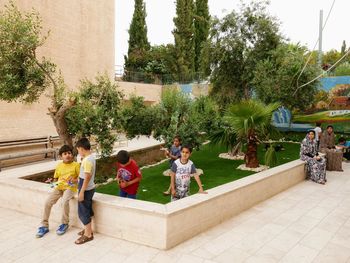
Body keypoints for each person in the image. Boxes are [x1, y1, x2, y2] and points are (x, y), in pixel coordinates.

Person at [36, 145, 80, 238]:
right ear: (61, 156)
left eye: (69, 153)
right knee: (48, 202)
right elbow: (56, 179)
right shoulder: (59, 166)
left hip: (70, 188)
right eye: (65, 154)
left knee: (64, 202)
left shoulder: (76, 165)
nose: (67, 155)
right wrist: (53, 184)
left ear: (72, 155)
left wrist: (74, 180)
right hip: (59, 187)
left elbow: (81, 178)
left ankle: (64, 223)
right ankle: (44, 226)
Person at [75, 138, 96, 245]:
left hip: (86, 189)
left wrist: (82, 192)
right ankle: (88, 229)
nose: (78, 152)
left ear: (82, 149)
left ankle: (88, 234)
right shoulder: (90, 157)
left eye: (78, 150)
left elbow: (87, 176)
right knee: (87, 209)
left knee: (83, 212)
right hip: (90, 188)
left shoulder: (87, 160)